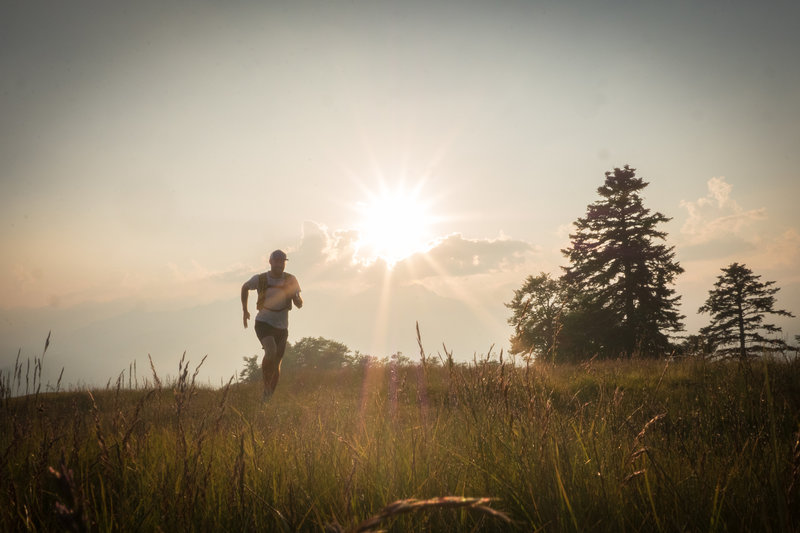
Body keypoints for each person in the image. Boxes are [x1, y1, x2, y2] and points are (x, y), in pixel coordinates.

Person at [241, 249, 303, 400]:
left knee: (277, 364)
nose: (280, 265)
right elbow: (245, 287)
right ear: (270, 262)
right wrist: (245, 311)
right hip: (263, 322)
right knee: (270, 351)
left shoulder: (291, 279)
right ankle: (266, 385)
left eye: (282, 262)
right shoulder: (261, 279)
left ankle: (268, 395)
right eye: (277, 261)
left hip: (282, 326)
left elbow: (299, 304)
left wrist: (294, 296)